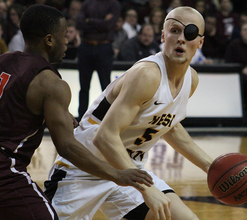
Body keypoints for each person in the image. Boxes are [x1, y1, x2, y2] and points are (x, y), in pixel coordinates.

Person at [45, 6, 213, 220]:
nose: (180, 39)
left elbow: (167, 126)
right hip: (85, 168)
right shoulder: (147, 75)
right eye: (174, 30)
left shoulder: (191, 80)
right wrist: (147, 190)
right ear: (163, 35)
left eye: (189, 33)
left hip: (128, 170)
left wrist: (210, 166)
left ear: (200, 42)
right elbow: (104, 137)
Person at [0, 4, 153, 220]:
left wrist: (48, 115)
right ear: (49, 40)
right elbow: (67, 147)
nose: (67, 41)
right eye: (64, 35)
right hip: (6, 170)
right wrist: (117, 174)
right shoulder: (52, 84)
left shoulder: (4, 60)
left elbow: (14, 105)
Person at [76, 0, 121, 121]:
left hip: (104, 48)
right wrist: (101, 23)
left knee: (106, 87)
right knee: (84, 86)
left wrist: (89, 20)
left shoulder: (113, 4)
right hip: (86, 46)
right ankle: (81, 119)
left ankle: (107, 120)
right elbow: (79, 23)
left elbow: (108, 25)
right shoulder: (87, 3)